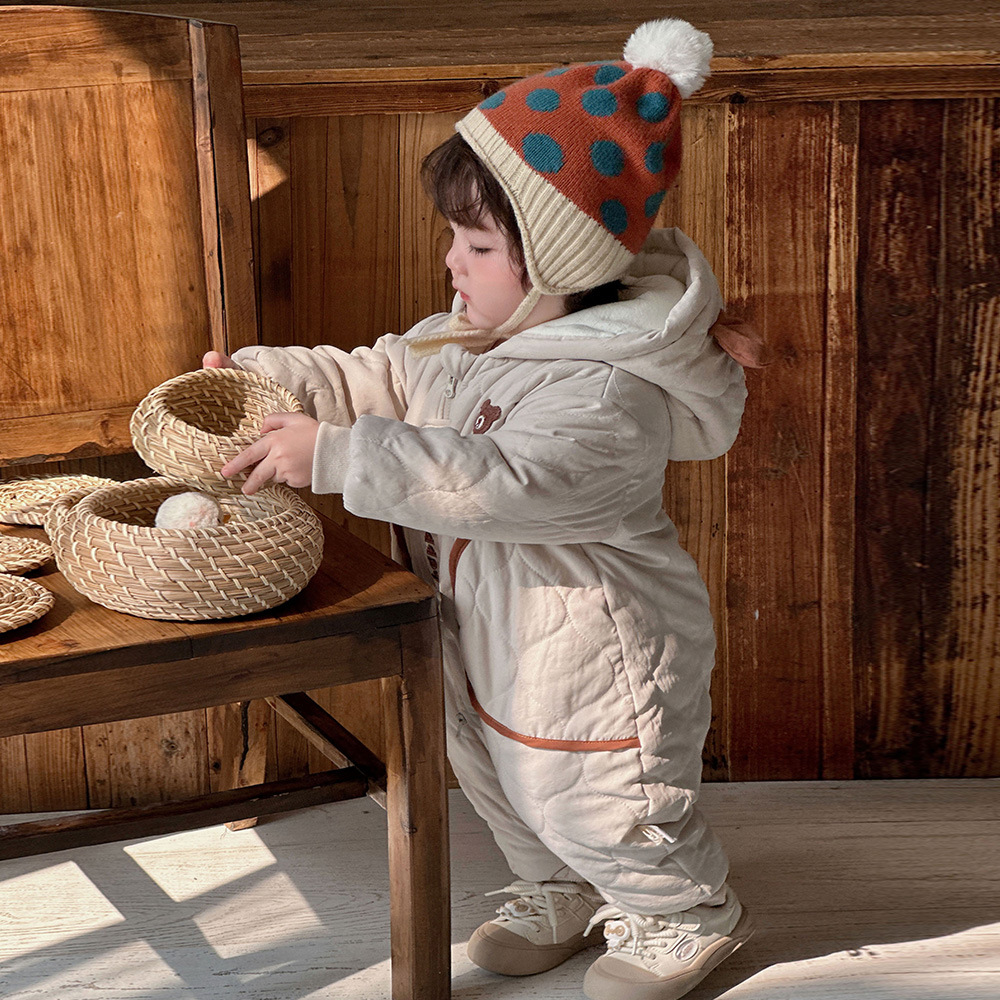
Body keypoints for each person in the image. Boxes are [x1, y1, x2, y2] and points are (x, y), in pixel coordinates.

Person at [206, 18, 763, 1000]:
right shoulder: (461, 337)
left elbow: (512, 481)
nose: (452, 263)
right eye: (453, 239)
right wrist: (266, 386)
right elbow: (371, 376)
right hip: (479, 626)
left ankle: (680, 913)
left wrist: (336, 457)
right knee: (498, 776)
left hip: (592, 644)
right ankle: (552, 888)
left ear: (555, 263)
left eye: (476, 244)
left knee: (596, 792)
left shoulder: (603, 392)